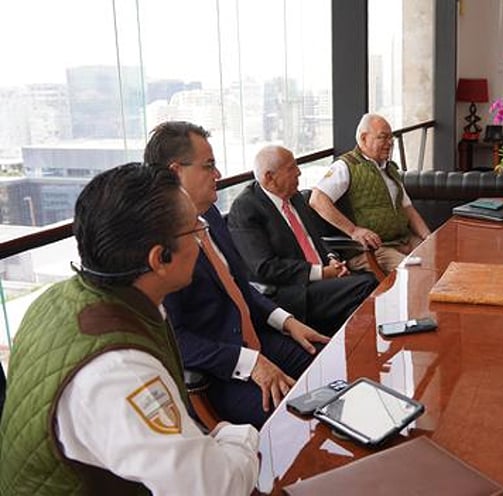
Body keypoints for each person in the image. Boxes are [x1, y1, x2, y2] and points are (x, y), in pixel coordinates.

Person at [0, 164, 259, 495]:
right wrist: (240, 436)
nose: (201, 239)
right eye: (196, 229)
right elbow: (214, 488)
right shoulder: (118, 371)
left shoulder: (58, 299)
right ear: (159, 259)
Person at [144, 121, 329, 429]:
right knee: (295, 423)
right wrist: (249, 363)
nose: (218, 175)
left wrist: (288, 321)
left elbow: (239, 287)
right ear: (176, 171)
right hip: (218, 371)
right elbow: (176, 339)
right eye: (209, 166)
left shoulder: (211, 215)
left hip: (255, 339)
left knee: (327, 367)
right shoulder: (160, 244)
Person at [228, 145, 378, 336]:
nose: (298, 172)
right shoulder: (246, 209)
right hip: (291, 292)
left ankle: (350, 354)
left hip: (322, 281)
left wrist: (332, 258)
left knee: (355, 308)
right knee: (366, 284)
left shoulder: (295, 196)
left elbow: (315, 239)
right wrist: (320, 273)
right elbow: (264, 267)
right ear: (269, 177)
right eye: (291, 168)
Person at [309, 113, 431, 274]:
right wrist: (353, 231)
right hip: (372, 250)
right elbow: (317, 200)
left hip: (403, 240)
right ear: (364, 138)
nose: (390, 143)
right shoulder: (345, 166)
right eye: (383, 137)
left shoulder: (390, 169)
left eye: (391, 138)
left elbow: (408, 209)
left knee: (439, 258)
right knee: (414, 272)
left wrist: (429, 238)